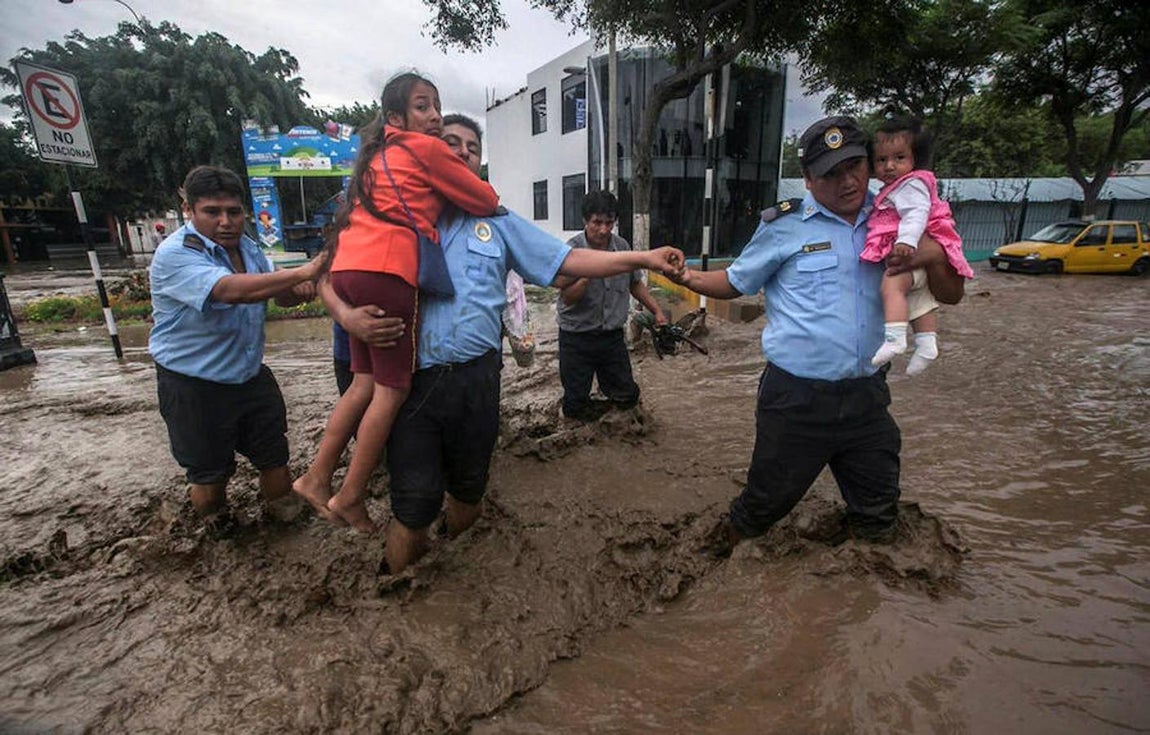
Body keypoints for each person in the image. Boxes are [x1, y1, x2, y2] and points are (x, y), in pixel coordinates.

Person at [323, 114, 685, 575]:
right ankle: (398, 588)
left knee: (470, 491)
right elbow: (328, 274)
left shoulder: (497, 221)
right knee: (412, 506)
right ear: (426, 153)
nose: (460, 152)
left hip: (478, 380)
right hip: (410, 385)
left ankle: (464, 582)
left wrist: (642, 257)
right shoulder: (388, 211)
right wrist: (348, 316)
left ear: (479, 163)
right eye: (448, 143)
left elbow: (565, 261)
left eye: (471, 148)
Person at [667, 116, 966, 550]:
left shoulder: (898, 217)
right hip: (795, 401)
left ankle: (869, 603)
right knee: (762, 507)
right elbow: (736, 281)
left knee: (879, 511)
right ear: (808, 180)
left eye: (854, 167)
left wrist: (935, 252)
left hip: (867, 397)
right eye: (830, 174)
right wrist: (688, 278)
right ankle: (710, 554)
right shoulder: (782, 225)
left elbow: (951, 294)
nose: (847, 182)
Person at [294, 72, 499, 532]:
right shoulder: (426, 150)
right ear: (395, 118)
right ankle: (349, 496)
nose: (433, 115)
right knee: (393, 390)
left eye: (436, 106)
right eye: (423, 107)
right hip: (388, 273)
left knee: (362, 384)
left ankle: (316, 475)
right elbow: (483, 197)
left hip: (349, 271)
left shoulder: (373, 161)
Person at [148, 165, 320, 524]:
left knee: (276, 458)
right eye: (212, 212)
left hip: (249, 375)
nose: (225, 221)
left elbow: (274, 294)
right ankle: (214, 536)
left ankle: (287, 524)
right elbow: (230, 290)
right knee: (210, 478)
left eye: (233, 211)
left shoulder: (249, 247)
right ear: (189, 211)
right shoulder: (176, 254)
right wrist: (305, 271)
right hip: (194, 385)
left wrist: (298, 291)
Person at [861, 116, 974, 374]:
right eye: (881, 160)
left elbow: (916, 213)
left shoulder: (909, 186)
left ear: (915, 159)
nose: (889, 166)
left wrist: (912, 244)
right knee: (920, 300)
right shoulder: (888, 193)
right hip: (911, 257)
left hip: (906, 252)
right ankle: (926, 343)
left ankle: (895, 339)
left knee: (892, 286)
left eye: (899, 158)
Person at [555, 190, 668, 422]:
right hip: (576, 337)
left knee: (627, 397)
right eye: (597, 222)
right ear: (585, 220)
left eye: (609, 223)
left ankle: (614, 434)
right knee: (575, 405)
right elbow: (567, 298)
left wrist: (656, 311)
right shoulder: (570, 252)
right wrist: (587, 271)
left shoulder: (622, 247)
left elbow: (634, 283)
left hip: (611, 337)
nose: (604, 230)